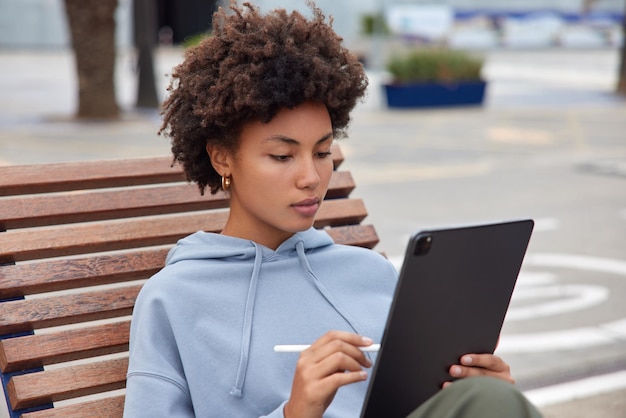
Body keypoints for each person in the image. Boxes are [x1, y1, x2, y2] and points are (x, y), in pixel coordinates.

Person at [123, 2, 543, 417]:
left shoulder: (371, 274)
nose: (311, 177)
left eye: (322, 152)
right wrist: (295, 413)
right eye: (282, 157)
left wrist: (469, 391)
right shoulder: (174, 299)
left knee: (492, 400)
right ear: (222, 158)